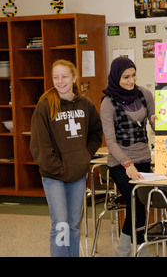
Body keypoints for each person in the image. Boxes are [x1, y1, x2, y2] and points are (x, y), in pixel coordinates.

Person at [30, 59, 103, 257]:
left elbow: (96, 133)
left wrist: (84, 156)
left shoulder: (85, 104)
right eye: (56, 77)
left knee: (73, 224)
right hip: (54, 176)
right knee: (61, 224)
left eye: (64, 76)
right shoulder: (45, 106)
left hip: (77, 174)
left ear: (74, 77)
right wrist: (59, 169)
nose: (60, 81)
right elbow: (39, 145)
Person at [100, 57, 155, 256]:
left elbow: (157, 129)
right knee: (136, 202)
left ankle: (123, 249)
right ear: (116, 77)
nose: (131, 80)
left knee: (138, 206)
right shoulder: (108, 103)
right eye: (126, 77)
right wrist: (127, 164)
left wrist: (159, 122)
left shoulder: (145, 94)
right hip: (119, 163)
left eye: (133, 75)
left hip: (143, 159)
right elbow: (111, 142)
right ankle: (141, 251)